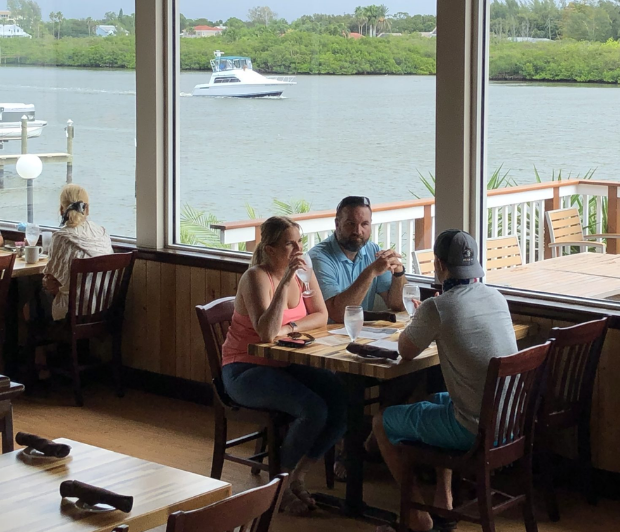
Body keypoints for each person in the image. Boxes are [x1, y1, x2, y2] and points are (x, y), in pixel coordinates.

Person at [372, 229, 519, 532]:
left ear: (438, 264)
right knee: (437, 401)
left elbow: (405, 350)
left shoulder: (438, 306)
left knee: (380, 422)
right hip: (511, 424)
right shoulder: (496, 297)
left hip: (474, 431)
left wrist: (422, 319)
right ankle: (444, 501)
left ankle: (417, 518)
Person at [221, 216, 345, 514]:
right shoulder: (256, 277)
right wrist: (287, 280)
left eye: (300, 242)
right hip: (244, 369)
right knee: (313, 409)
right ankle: (280, 487)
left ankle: (296, 477)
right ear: (270, 249)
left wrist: (289, 329)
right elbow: (265, 332)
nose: (298, 249)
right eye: (290, 243)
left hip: (284, 362)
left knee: (343, 400)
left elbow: (321, 316)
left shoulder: (306, 271)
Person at [308, 195, 407, 322]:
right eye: (351, 224)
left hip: (361, 332)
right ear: (337, 224)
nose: (358, 231)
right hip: (326, 336)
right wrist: (370, 272)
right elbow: (338, 315)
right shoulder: (318, 258)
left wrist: (398, 273)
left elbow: (397, 305)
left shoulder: (373, 251)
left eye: (364, 224)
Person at [40, 184, 114, 321]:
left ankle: (46, 340)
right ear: (87, 209)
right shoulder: (102, 232)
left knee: (32, 300)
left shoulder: (61, 237)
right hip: (104, 307)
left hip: (74, 312)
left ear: (61, 209)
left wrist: (46, 283)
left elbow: (52, 280)